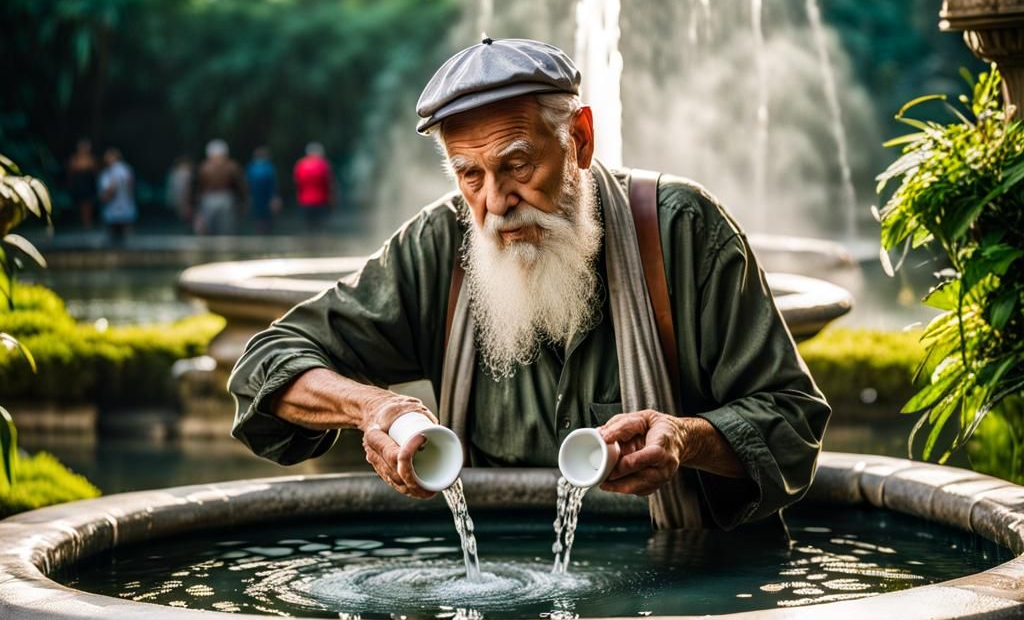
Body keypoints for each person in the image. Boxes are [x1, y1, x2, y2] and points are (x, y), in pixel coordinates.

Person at [229, 38, 830, 532]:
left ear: (581, 140)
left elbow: (793, 423)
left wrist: (687, 439)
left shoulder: (682, 233)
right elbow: (266, 364)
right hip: (498, 609)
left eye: (518, 166)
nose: (495, 203)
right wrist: (371, 408)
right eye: (470, 174)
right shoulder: (443, 245)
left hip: (680, 604)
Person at [194, 140, 246, 235]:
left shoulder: (204, 167)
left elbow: (198, 187)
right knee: (226, 230)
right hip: (226, 199)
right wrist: (242, 201)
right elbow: (241, 186)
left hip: (209, 199)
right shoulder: (232, 166)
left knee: (209, 229)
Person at [97, 147, 137, 245]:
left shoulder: (110, 172)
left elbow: (109, 192)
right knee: (127, 241)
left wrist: (105, 196)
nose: (105, 159)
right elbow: (131, 188)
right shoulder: (127, 169)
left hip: (113, 211)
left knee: (113, 241)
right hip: (126, 210)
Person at [292, 142, 333, 233]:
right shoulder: (323, 165)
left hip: (304, 200)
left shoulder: (300, 164)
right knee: (320, 228)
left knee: (307, 228)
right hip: (321, 201)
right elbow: (329, 183)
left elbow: (297, 182)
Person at [246, 146, 280, 234]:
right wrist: (275, 198)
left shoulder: (251, 167)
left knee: (257, 219)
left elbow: (247, 185)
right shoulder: (269, 167)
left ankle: (259, 234)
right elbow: (273, 184)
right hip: (266, 198)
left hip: (255, 198)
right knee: (268, 219)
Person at [66, 138, 98, 230]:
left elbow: (95, 172)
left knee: (88, 204)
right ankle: (82, 222)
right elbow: (71, 173)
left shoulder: (91, 159)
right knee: (80, 204)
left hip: (88, 184)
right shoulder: (74, 158)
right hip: (78, 184)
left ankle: (87, 223)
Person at [165, 156, 194, 224]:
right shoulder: (185, 173)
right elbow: (186, 188)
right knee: (184, 214)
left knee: (181, 214)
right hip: (182, 197)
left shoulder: (174, 172)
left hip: (177, 196)